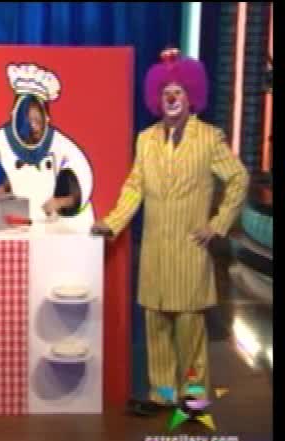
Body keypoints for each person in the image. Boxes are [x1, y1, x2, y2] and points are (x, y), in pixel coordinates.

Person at [91, 48, 249, 415]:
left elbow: (239, 179)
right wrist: (112, 223)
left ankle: (193, 399)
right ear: (157, 98)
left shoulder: (209, 138)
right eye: (166, 93)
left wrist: (218, 225)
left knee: (190, 329)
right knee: (157, 326)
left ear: (191, 97)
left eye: (178, 92)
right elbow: (134, 187)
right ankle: (162, 395)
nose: (172, 98)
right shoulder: (146, 139)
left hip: (190, 250)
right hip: (154, 253)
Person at [0, 63, 94, 228]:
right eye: (28, 121)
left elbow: (78, 192)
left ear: (46, 118)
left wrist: (59, 202)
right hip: (17, 223)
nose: (34, 127)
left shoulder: (62, 146)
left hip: (53, 225)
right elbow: (2, 186)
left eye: (37, 121)